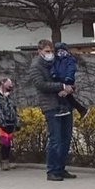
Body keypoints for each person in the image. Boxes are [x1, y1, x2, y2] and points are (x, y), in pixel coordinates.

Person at [29, 38, 77, 181]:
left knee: (66, 138)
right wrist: (61, 87)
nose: (50, 54)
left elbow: (68, 78)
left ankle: (61, 168)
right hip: (51, 105)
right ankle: (52, 170)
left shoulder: (57, 62)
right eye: (47, 51)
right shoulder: (36, 66)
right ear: (40, 51)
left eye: (52, 51)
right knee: (55, 139)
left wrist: (70, 88)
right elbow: (41, 84)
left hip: (65, 103)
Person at [50, 42, 90, 117]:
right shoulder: (55, 60)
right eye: (58, 51)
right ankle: (81, 109)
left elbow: (71, 69)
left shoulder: (69, 59)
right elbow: (53, 68)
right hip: (59, 79)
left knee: (63, 94)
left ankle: (64, 108)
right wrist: (53, 74)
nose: (61, 53)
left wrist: (69, 78)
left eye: (62, 51)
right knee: (68, 96)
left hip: (68, 80)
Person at [0, 77, 20, 171]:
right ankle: (4, 162)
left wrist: (16, 121)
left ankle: (7, 161)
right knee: (4, 143)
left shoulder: (9, 96)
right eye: (9, 84)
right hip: (3, 123)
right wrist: (1, 121)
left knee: (8, 143)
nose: (11, 86)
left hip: (10, 122)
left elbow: (14, 109)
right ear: (2, 83)